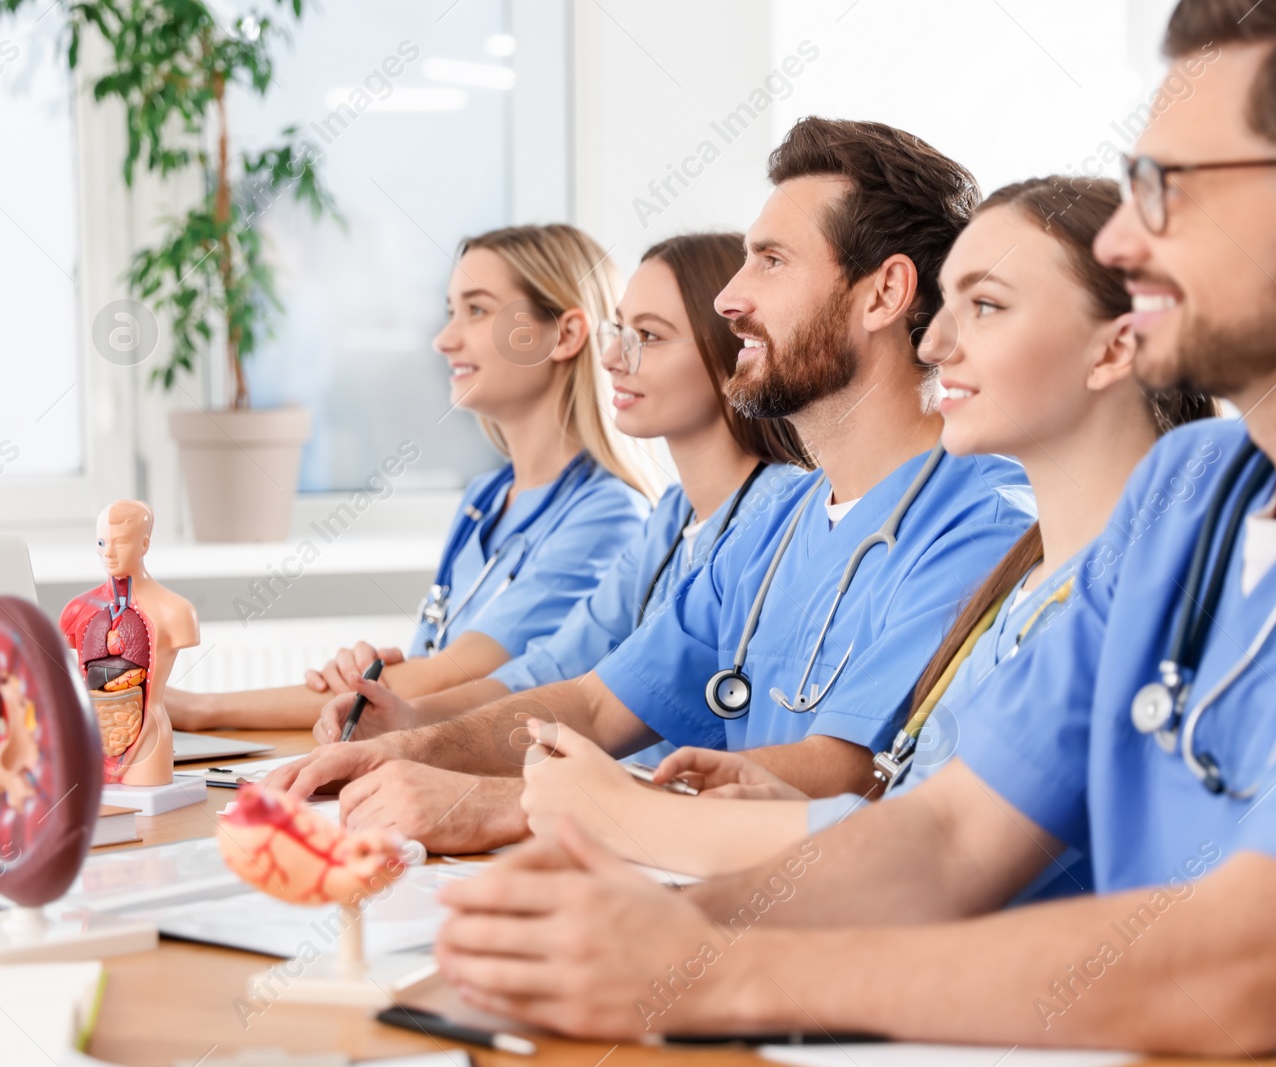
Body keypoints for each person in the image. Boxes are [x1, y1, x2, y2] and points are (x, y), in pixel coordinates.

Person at [428, 2, 1276, 1061]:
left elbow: (1240, 961)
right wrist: (627, 936)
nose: (1128, 240)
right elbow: (950, 837)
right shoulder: (1187, 489)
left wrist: (707, 971)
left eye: (1169, 188)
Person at [268, 118, 1038, 856]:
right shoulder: (779, 522)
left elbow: (848, 771)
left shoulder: (980, 524)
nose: (731, 297)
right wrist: (405, 747)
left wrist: (498, 805)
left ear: (882, 294)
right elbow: (597, 703)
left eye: (771, 261)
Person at [512, 175, 1214, 878]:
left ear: (1116, 350)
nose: (935, 342)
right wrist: (772, 806)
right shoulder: (1024, 587)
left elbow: (943, 856)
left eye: (988, 306)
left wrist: (623, 814)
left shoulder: (1131, 588)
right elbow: (924, 809)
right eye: (949, 308)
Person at [307, 233, 810, 756]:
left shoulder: (781, 519)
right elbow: (553, 667)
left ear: (741, 351)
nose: (613, 357)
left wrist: (425, 740)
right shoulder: (671, 521)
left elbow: (611, 708)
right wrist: (410, 718)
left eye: (650, 336)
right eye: (620, 330)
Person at [167, 224, 653, 731]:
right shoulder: (485, 500)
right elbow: (419, 675)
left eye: (478, 310)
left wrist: (201, 710)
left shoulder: (608, 516)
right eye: (450, 312)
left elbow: (441, 680)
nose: (444, 340)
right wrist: (368, 674)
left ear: (566, 335)